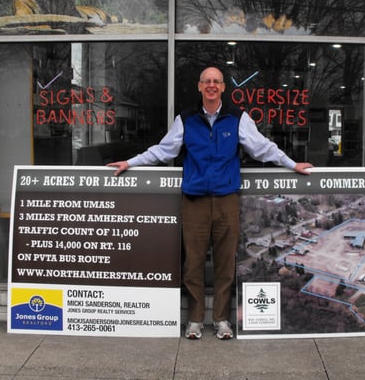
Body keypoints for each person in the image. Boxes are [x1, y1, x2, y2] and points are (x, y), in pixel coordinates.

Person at [108, 67, 313, 340]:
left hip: (227, 199)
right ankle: (194, 320)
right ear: (199, 86)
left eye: (217, 81)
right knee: (193, 263)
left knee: (225, 264)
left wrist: (292, 164)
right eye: (207, 81)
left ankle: (221, 320)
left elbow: (263, 148)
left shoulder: (237, 118)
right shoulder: (186, 119)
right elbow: (162, 150)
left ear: (224, 87)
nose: (212, 86)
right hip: (195, 201)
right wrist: (130, 162)